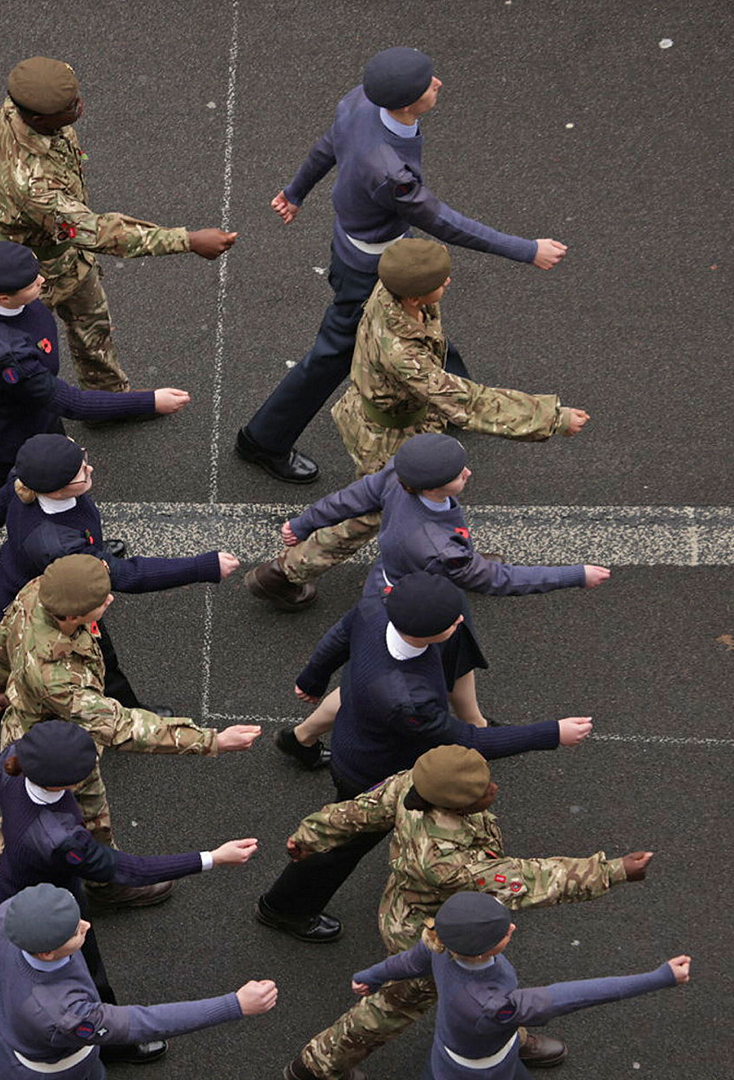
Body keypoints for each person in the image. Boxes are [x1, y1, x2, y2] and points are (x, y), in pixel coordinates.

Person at [235, 46, 567, 484]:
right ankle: (263, 439)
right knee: (336, 353)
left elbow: (328, 145)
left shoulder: (360, 101)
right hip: (371, 265)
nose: (438, 84)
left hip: (355, 244)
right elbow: (445, 222)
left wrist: (296, 191)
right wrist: (527, 249)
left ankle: (448, 391)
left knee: (418, 319)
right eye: (429, 84)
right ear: (408, 103)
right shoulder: (392, 174)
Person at [0, 55, 237, 457]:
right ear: (38, 119)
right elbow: (98, 232)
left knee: (92, 320)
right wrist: (189, 240)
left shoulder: (14, 112)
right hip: (30, 268)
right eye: (69, 108)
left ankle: (106, 396)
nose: (79, 108)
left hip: (61, 257)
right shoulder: (34, 186)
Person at [0, 556, 262, 938]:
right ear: (70, 616)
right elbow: (119, 724)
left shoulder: (38, 591)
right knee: (20, 833)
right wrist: (212, 741)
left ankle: (104, 882)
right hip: (55, 750)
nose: (108, 602)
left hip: (49, 738)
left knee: (88, 814)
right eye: (101, 600)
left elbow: (3, 636)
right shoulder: (57, 675)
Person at [0, 722, 257, 1079]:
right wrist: (212, 857)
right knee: (27, 981)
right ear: (65, 783)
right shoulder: (60, 838)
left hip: (11, 899)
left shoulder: (16, 761)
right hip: (53, 906)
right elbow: (127, 869)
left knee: (0, 983)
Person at [242, 237, 592, 610]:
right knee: (371, 513)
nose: (447, 285)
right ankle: (284, 573)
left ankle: (459, 558)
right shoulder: (403, 354)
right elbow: (467, 401)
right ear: (412, 298)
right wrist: (551, 418)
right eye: (440, 283)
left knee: (434, 493)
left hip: (384, 417)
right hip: (392, 436)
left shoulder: (392, 288)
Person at [280, 746, 653, 1080]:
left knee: (483, 984)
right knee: (393, 1007)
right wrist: (613, 871)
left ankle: (505, 1032)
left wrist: (308, 836)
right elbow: (532, 879)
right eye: (482, 792)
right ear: (454, 805)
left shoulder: (421, 780)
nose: (494, 791)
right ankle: (316, 1066)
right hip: (434, 935)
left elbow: (360, 811)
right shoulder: (445, 861)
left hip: (423, 910)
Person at [256, 573, 591, 943]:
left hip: (355, 735)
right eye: (453, 621)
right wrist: (551, 733)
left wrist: (313, 678)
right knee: (340, 847)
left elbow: (338, 636)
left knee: (341, 832)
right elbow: (467, 739)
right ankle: (284, 908)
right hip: (371, 771)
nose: (460, 620)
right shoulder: (408, 700)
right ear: (427, 633)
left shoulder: (375, 609)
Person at [0, 243, 190, 613]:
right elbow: (71, 402)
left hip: (31, 424)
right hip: (2, 441)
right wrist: (149, 400)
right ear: (4, 296)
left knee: (65, 484)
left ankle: (86, 550)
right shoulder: (5, 352)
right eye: (32, 281)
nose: (42, 279)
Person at [264, 434, 608, 760]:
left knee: (452, 664)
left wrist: (304, 523)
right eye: (458, 475)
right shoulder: (439, 549)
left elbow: (352, 497)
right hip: (425, 607)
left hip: (398, 592)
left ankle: (476, 724)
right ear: (431, 487)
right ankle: (302, 737)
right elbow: (497, 579)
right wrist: (575, 574)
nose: (468, 474)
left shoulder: (401, 474)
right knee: (371, 691)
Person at [0, 433, 236, 779]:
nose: (89, 468)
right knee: (11, 685)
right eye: (80, 472)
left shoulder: (28, 482)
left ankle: (127, 707)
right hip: (43, 609)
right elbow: (127, 576)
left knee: (99, 654)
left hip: (57, 594)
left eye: (82, 458)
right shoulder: (56, 544)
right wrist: (204, 566)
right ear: (56, 489)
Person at [0, 883, 277, 1080]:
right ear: (46, 952)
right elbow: (143, 1021)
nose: (86, 928)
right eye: (75, 932)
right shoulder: (64, 1014)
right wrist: (235, 1004)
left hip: (11, 1053)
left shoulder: (10, 919)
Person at [348, 891, 689, 1079]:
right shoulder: (490, 1004)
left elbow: (407, 962)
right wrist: (658, 978)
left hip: (461, 1049)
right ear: (482, 951)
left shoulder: (440, 941)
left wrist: (370, 975)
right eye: (504, 932)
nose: (512, 930)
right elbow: (568, 996)